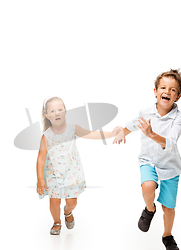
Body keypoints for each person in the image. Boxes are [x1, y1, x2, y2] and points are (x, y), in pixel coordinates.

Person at [113, 69, 181, 250]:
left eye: (172, 90)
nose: (167, 92)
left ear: (177, 96)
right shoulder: (146, 112)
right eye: (163, 88)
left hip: (170, 166)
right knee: (147, 186)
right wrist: (122, 131)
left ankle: (167, 235)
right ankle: (149, 209)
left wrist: (151, 134)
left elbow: (170, 142)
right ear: (155, 91)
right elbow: (133, 124)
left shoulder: (179, 119)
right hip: (149, 161)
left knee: (168, 208)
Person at [36, 96, 122, 235]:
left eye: (59, 109)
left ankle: (67, 211)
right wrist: (40, 179)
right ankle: (57, 222)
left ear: (65, 111)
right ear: (47, 116)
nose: (56, 113)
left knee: (72, 201)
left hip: (71, 172)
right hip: (53, 174)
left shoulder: (72, 128)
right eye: (52, 111)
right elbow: (40, 159)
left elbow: (91, 134)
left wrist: (112, 133)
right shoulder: (46, 136)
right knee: (54, 202)